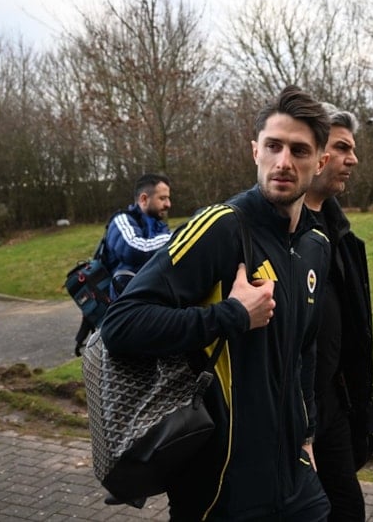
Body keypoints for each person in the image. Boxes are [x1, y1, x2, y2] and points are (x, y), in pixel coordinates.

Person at [101, 85, 333, 521]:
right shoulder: (222, 227)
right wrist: (232, 315)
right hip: (221, 488)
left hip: (295, 482)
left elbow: (306, 349)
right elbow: (121, 325)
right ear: (255, 151)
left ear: (320, 162)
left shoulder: (316, 245)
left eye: (299, 150)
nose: (284, 161)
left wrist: (306, 438)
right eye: (273, 146)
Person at [304, 104, 373, 521]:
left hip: (332, 405)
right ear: (316, 152)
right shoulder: (266, 229)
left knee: (347, 509)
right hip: (288, 414)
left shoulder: (341, 233)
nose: (354, 159)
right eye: (343, 147)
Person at [72, 173, 172, 355]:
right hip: (120, 315)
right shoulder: (122, 220)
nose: (168, 204)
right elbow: (134, 250)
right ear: (144, 199)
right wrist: (179, 237)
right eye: (163, 198)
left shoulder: (159, 227)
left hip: (146, 311)